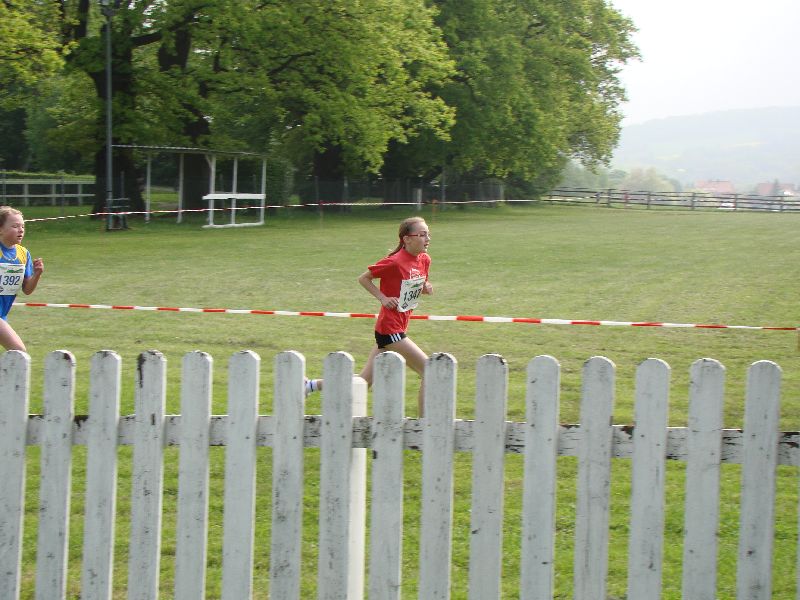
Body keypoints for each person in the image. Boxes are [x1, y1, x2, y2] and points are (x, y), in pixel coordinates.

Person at [306, 216, 433, 415]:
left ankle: (310, 385)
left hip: (395, 327)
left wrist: (424, 288)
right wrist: (383, 298)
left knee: (363, 382)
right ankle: (426, 425)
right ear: (407, 239)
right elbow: (364, 278)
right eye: (422, 234)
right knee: (430, 370)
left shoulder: (425, 260)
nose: (428, 239)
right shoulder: (394, 262)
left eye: (428, 234)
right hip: (391, 329)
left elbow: (413, 285)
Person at [0, 206, 44, 352]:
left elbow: (27, 290)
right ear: (0, 229)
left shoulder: (23, 254)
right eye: (15, 226)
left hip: (2, 314)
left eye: (23, 226)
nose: (21, 230)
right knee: (19, 351)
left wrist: (37, 274)